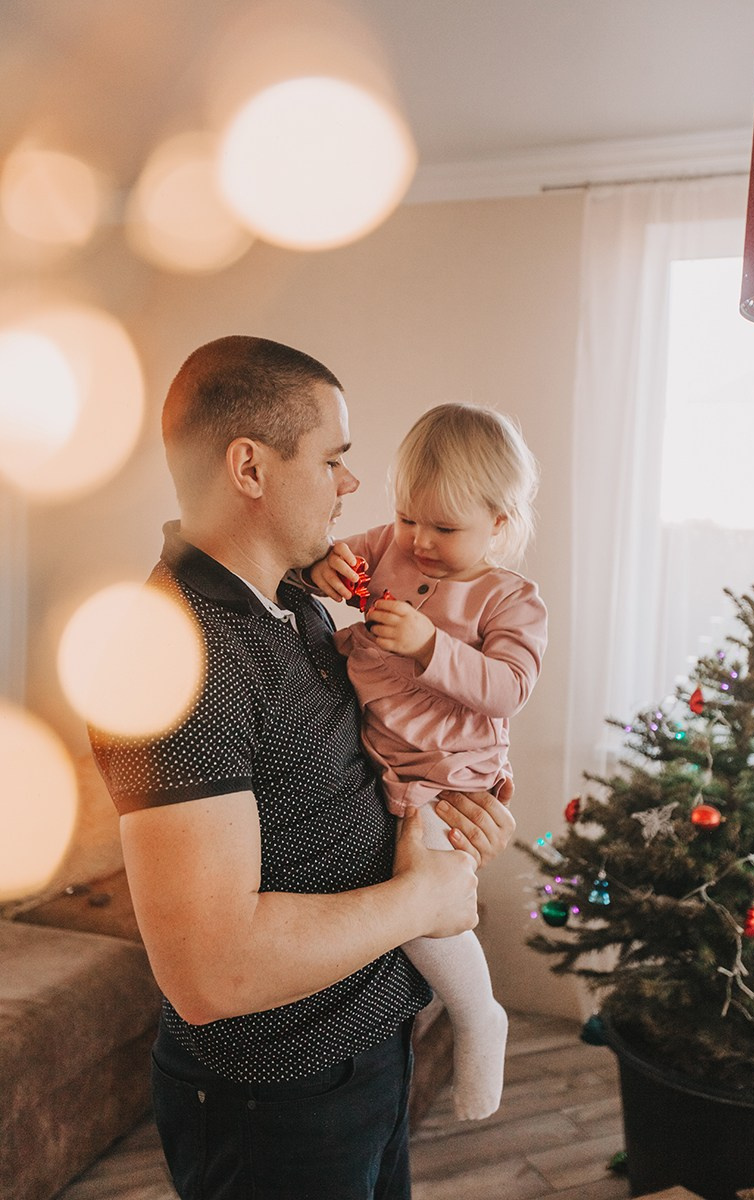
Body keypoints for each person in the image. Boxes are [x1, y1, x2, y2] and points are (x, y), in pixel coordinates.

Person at [89, 336, 516, 1200]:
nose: (351, 486)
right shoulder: (166, 654)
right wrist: (422, 901)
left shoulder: (291, 603)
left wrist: (460, 821)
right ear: (250, 466)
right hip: (275, 1098)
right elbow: (212, 972)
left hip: (368, 1052)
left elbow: (351, 776)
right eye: (333, 459)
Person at [306, 403, 547, 1121]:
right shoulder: (391, 547)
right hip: (383, 761)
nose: (419, 541)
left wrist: (428, 648)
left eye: (444, 528)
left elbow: (508, 689)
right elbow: (332, 558)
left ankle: (479, 1014)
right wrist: (326, 563)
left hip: (449, 780)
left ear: (499, 523)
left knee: (422, 905)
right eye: (410, 517)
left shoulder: (509, 598)